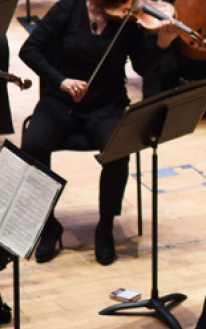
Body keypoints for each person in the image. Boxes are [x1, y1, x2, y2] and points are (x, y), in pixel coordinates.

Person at [19, 0, 178, 265]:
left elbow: (142, 67)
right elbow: (30, 49)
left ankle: (105, 224)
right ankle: (48, 224)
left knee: (119, 148)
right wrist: (61, 81)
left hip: (107, 104)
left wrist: (163, 43)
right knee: (33, 145)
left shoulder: (127, 18)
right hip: (60, 103)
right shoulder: (68, 8)